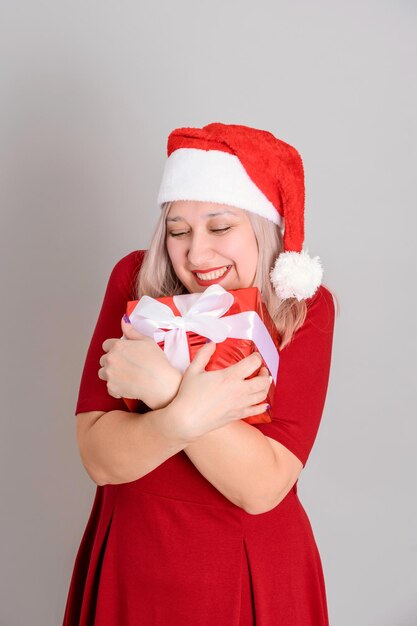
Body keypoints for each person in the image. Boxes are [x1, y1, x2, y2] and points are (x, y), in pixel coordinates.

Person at [62, 122, 336, 625]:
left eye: (220, 227)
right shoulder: (133, 279)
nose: (196, 254)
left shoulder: (304, 308)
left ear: (261, 226)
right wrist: (186, 414)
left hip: (248, 568)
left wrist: (165, 388)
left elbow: (260, 487)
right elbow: (99, 458)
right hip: (135, 557)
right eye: (178, 231)